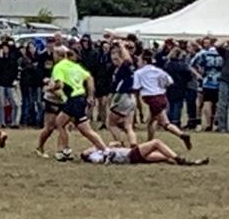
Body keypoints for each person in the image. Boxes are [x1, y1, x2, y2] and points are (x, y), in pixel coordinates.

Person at [50, 47, 108, 162]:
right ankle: (65, 150)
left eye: (54, 54)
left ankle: (105, 151)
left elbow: (59, 85)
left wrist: (50, 88)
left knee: (85, 130)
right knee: (61, 122)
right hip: (80, 98)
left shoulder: (58, 67)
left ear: (58, 55)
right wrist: (90, 95)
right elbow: (89, 77)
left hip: (74, 99)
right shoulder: (75, 66)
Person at [133, 49, 192, 149]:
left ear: (144, 61)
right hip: (162, 96)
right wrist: (161, 86)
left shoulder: (138, 73)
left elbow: (136, 87)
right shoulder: (159, 70)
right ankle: (149, 142)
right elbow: (170, 81)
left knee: (165, 124)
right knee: (151, 122)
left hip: (152, 99)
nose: (138, 62)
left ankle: (182, 135)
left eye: (139, 60)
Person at [80, 139, 209, 166]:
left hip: (131, 156)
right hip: (129, 155)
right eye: (88, 150)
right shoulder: (94, 156)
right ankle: (181, 160)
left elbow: (111, 145)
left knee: (165, 157)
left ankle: (193, 162)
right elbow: (103, 160)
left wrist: (114, 144)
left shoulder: (100, 149)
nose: (90, 147)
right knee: (156, 143)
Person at [107, 44, 138, 147]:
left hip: (121, 97)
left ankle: (119, 143)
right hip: (131, 97)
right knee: (128, 126)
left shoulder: (124, 67)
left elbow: (127, 59)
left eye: (114, 55)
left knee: (111, 124)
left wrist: (121, 45)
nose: (112, 58)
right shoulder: (127, 69)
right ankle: (133, 144)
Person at [191, 38, 224, 131]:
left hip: (207, 81)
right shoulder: (222, 53)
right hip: (220, 81)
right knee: (218, 104)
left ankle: (208, 124)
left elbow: (191, 64)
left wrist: (198, 74)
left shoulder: (203, 54)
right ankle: (216, 123)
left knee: (206, 103)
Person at [215, 36, 229, 132]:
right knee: (222, 104)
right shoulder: (226, 52)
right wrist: (226, 39)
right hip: (225, 80)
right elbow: (217, 45)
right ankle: (222, 127)